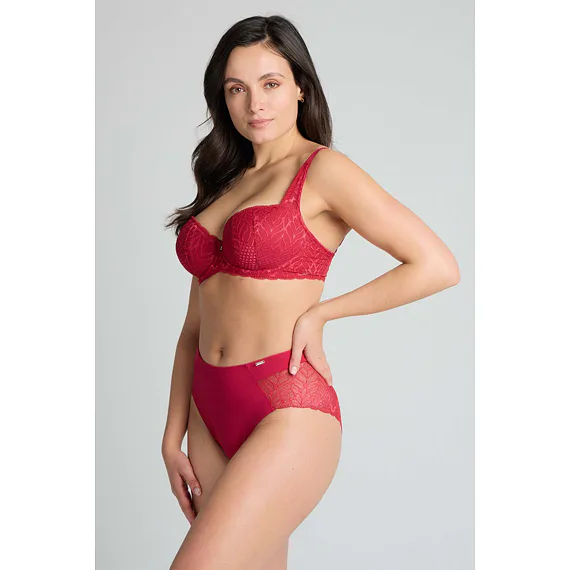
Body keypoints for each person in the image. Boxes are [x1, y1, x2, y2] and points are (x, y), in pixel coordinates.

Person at [162, 14, 460, 570]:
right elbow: (192, 329)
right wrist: (171, 434)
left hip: (285, 405)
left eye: (271, 83)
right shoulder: (223, 183)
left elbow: (436, 265)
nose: (255, 103)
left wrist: (322, 314)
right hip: (207, 409)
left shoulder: (323, 171)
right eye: (237, 88)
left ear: (301, 87)